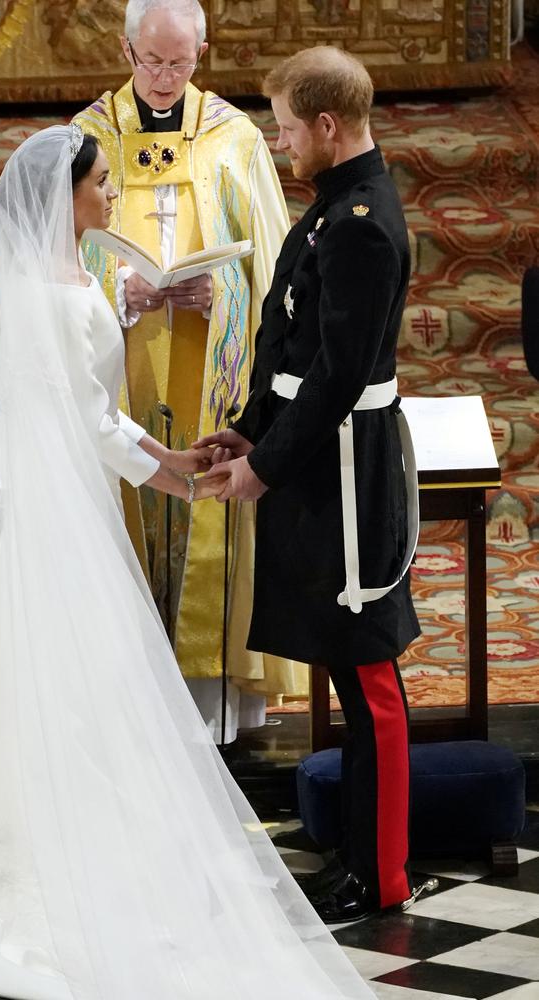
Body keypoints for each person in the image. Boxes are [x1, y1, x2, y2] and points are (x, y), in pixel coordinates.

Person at [0, 124, 376, 1000]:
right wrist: (176, 478)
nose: (112, 193)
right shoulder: (61, 295)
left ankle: (22, 848)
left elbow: (34, 393)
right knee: (82, 674)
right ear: (65, 195)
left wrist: (162, 452)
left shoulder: (69, 284)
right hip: (76, 506)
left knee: (46, 675)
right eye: (102, 182)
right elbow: (92, 420)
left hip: (70, 501)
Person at [197, 46, 432, 923]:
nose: (280, 139)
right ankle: (363, 859)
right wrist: (251, 430)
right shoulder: (336, 206)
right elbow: (290, 344)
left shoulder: (364, 221)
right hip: (313, 457)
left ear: (327, 127)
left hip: (345, 470)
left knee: (369, 673)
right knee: (344, 662)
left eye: (288, 127)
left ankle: (387, 873)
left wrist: (263, 466)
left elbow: (337, 376)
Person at [73, 0, 307, 741]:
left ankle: (213, 713)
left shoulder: (234, 138)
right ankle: (124, 707)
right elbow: (55, 254)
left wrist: (225, 291)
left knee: (211, 513)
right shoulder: (86, 138)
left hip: (214, 363)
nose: (166, 77)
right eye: (152, 60)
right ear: (126, 49)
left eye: (180, 61)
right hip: (125, 363)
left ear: (201, 52)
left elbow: (269, 262)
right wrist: (120, 290)